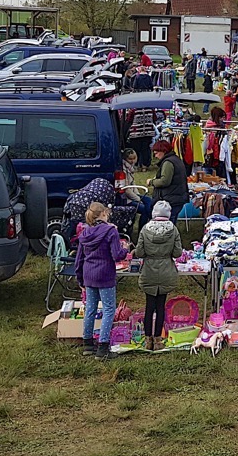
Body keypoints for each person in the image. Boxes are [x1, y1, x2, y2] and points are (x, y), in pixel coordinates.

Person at [74, 201, 126, 357]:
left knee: (90, 308)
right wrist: (126, 249)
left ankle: (88, 344)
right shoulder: (111, 231)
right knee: (109, 309)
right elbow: (117, 255)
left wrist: (80, 279)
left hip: (88, 275)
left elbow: (79, 259)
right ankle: (103, 347)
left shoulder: (84, 233)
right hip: (105, 275)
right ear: (104, 213)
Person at [132, 200, 182, 351]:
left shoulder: (145, 229)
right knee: (161, 307)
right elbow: (177, 253)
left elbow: (139, 252)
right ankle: (158, 340)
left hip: (149, 271)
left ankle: (148, 341)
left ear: (154, 213)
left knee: (149, 307)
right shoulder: (173, 229)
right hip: (166, 271)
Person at [149, 139, 188, 222]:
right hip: (177, 196)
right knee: (172, 221)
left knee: (168, 222)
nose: (155, 156)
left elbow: (164, 181)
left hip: (171, 198)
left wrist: (152, 182)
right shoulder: (176, 159)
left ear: (163, 151)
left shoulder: (168, 163)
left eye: (156, 153)